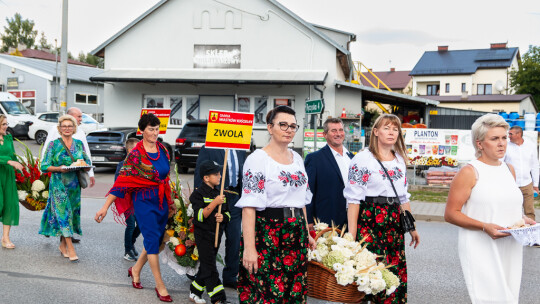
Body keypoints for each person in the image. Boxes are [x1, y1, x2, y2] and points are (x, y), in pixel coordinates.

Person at [445, 114, 536, 304]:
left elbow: (505, 203)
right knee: (490, 299)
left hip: (510, 246)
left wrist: (523, 220)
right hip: (480, 245)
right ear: (479, 144)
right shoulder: (470, 172)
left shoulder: (508, 169)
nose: (502, 143)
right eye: (494, 139)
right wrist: (484, 226)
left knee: (509, 298)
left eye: (504, 138)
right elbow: (451, 214)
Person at [236, 105, 315, 303]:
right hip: (268, 232)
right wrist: (249, 248)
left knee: (294, 291)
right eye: (283, 124)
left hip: (295, 233)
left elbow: (302, 201)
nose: (288, 129)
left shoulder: (297, 158)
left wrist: (306, 232)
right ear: (270, 128)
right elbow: (249, 207)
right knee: (268, 292)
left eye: (293, 126)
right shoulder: (257, 159)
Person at [95, 113, 175, 302]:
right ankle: (160, 285)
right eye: (151, 130)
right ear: (142, 131)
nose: (155, 133)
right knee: (152, 241)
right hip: (144, 202)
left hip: (161, 201)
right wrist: (105, 206)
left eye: (157, 129)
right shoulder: (136, 154)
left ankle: (136, 269)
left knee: (156, 240)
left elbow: (166, 177)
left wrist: (171, 201)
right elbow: (122, 182)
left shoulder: (163, 149)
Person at [344, 113, 420, 304]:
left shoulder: (399, 160)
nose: (391, 132)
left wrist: (412, 227)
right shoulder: (362, 159)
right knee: (368, 274)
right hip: (370, 219)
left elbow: (403, 196)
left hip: (394, 221)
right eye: (386, 128)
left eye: (395, 129)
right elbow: (353, 199)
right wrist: (352, 236)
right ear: (376, 132)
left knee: (392, 272)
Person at [39, 115, 91, 262]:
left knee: (71, 215)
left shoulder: (79, 144)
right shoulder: (53, 145)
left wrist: (84, 166)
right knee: (63, 214)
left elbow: (86, 162)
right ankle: (70, 247)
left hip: (74, 186)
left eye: (70, 126)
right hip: (58, 184)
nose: (67, 128)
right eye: (64, 126)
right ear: (59, 128)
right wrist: (58, 168)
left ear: (74, 128)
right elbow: (44, 166)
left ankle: (62, 246)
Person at [194, 146, 246, 289]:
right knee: (212, 240)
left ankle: (230, 276)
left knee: (235, 239)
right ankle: (203, 276)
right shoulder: (209, 147)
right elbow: (200, 175)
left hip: (235, 198)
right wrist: (200, 200)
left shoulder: (241, 148)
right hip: (215, 197)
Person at [189, 160, 230, 304]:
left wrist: (222, 217)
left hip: (216, 235)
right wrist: (214, 203)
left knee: (207, 264)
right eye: (216, 174)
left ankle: (194, 292)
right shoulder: (197, 194)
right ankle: (218, 299)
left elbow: (228, 214)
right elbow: (200, 216)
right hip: (203, 235)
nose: (219, 177)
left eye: (220, 174)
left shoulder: (221, 193)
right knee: (210, 265)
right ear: (206, 178)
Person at [305, 117, 353, 229]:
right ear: (325, 135)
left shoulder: (352, 158)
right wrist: (309, 220)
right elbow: (308, 191)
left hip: (351, 219)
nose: (338, 134)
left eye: (341, 130)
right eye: (334, 131)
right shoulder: (314, 159)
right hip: (326, 221)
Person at [503, 125, 539, 221]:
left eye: (511, 134)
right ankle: (512, 230)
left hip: (527, 183)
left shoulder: (530, 146)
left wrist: (535, 184)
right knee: (512, 209)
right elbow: (500, 164)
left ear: (518, 134)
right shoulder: (506, 146)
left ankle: (531, 232)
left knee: (529, 211)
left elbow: (535, 165)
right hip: (511, 184)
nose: (508, 136)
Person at [115, 137, 141, 261]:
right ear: (130, 150)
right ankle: (127, 250)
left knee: (141, 224)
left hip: (139, 200)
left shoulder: (140, 164)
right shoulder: (122, 165)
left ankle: (131, 243)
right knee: (131, 224)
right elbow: (117, 183)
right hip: (126, 200)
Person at [0, 114, 23, 249]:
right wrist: (8, 161)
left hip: (8, 175)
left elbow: (13, 155)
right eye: (3, 124)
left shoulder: (8, 138)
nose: (6, 126)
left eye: (6, 124)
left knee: (9, 204)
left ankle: (5, 237)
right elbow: (9, 159)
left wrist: (20, 174)